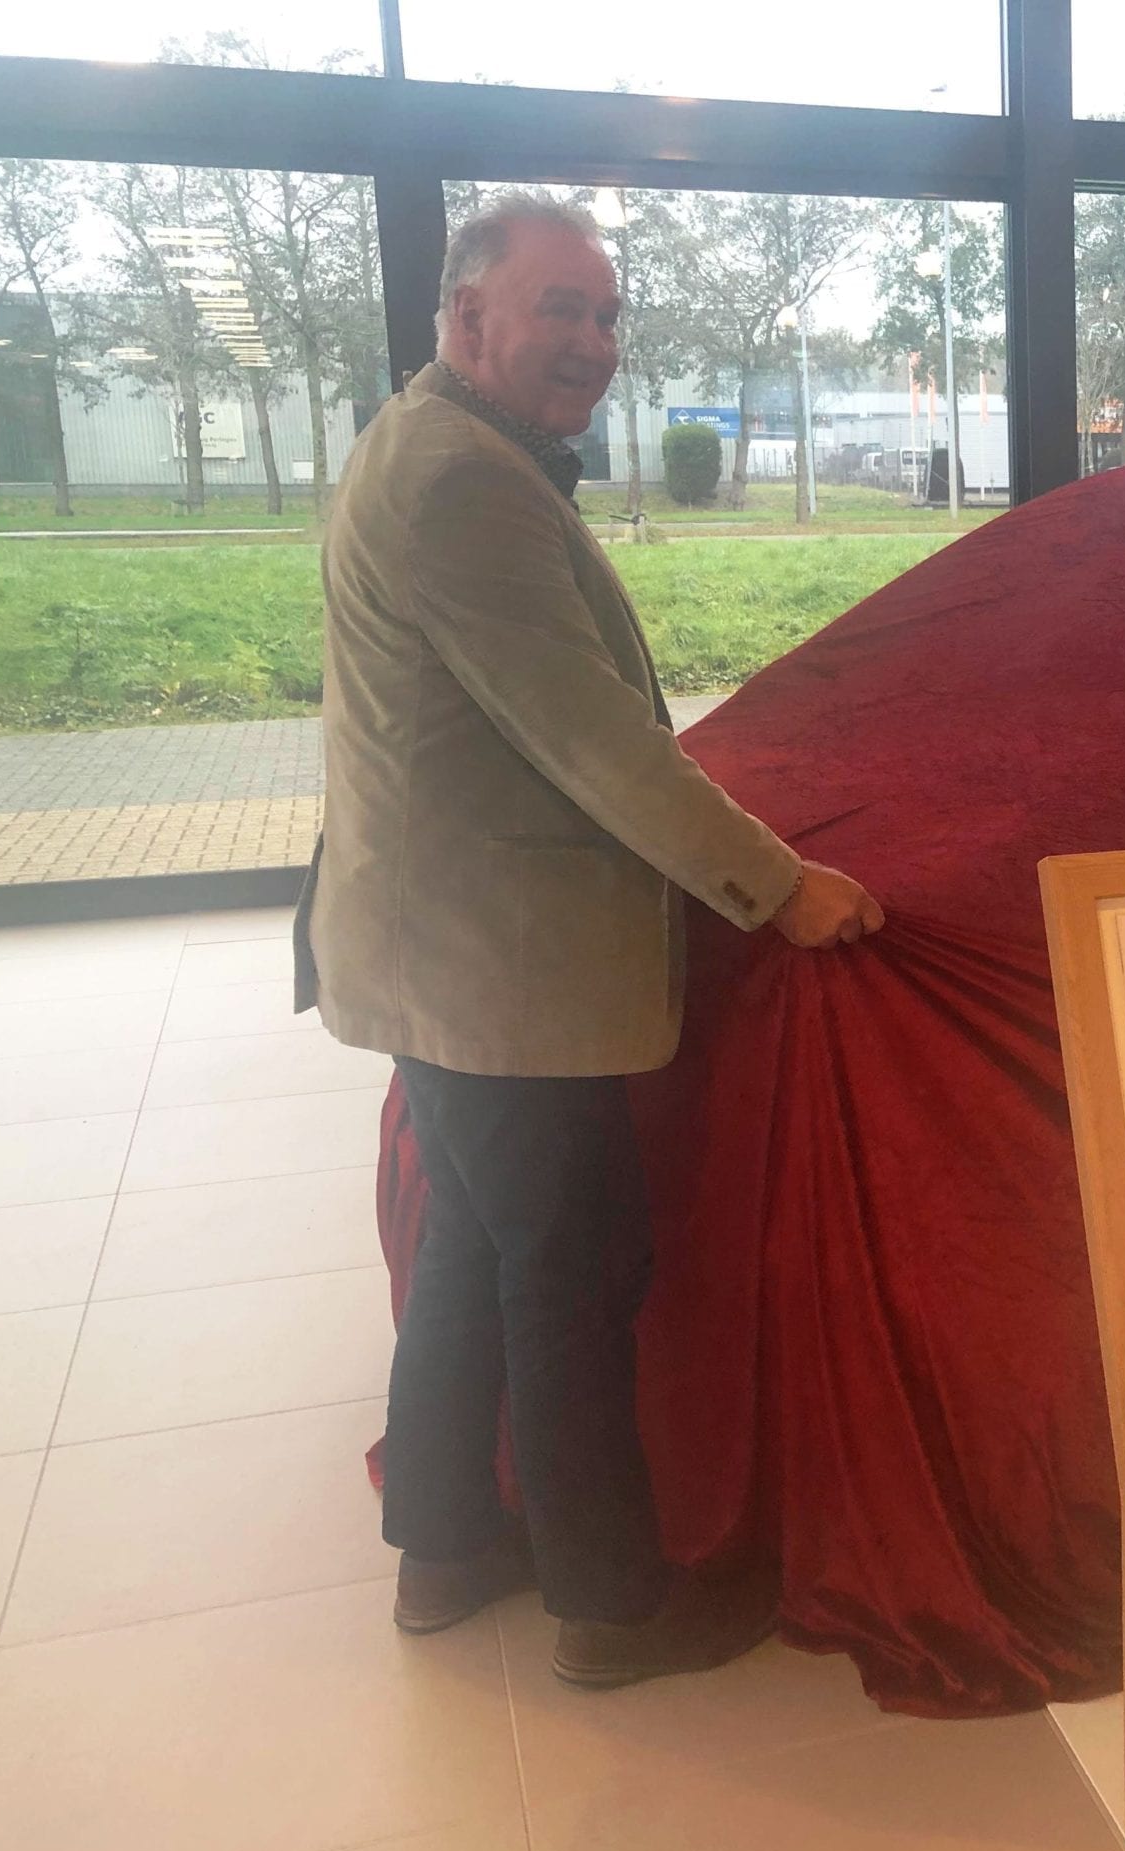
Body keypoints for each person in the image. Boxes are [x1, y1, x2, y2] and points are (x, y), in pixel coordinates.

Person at [293, 191, 881, 1690]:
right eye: (560, 307)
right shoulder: (462, 482)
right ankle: (612, 1609)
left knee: (479, 1245)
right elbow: (593, 740)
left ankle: (443, 1546)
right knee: (572, 1264)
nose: (594, 341)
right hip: (499, 969)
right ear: (466, 313)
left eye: (608, 314)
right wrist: (777, 886)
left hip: (433, 949)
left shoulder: (425, 440)